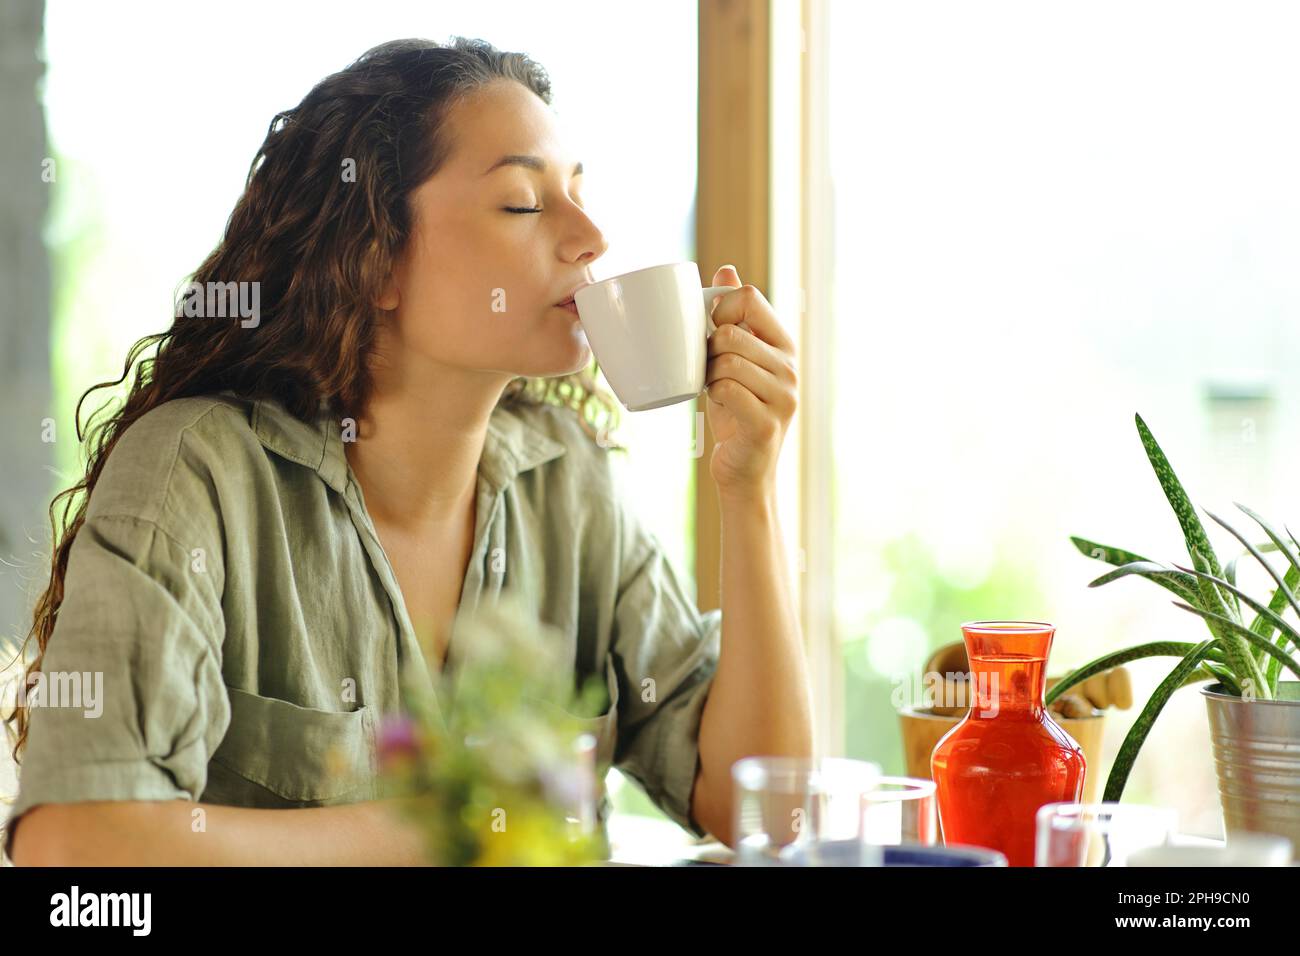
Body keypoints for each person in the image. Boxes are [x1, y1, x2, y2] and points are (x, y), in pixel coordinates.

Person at [2, 36, 812, 866]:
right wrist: (456, 832)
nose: (592, 236)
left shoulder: (570, 482)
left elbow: (770, 811)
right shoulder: (197, 473)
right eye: (524, 204)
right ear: (375, 257)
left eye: (578, 193)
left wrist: (748, 488)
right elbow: (72, 844)